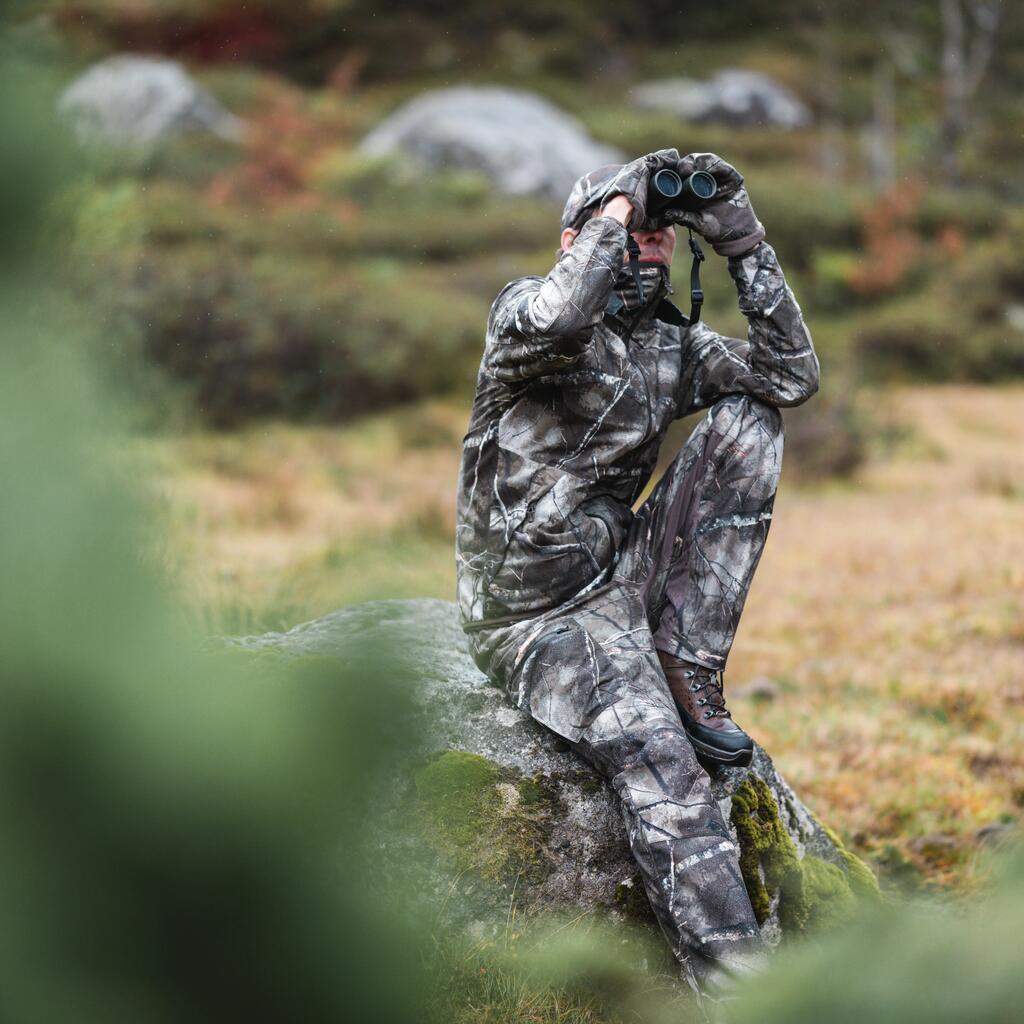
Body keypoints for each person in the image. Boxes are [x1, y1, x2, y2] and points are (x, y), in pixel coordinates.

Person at [454, 149, 819, 995]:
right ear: (573, 237)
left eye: (662, 237)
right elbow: (560, 317)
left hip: (622, 580)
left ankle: (685, 663)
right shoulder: (524, 318)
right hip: (530, 620)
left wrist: (744, 244)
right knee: (663, 770)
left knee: (750, 419)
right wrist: (620, 206)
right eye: (632, 231)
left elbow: (791, 376)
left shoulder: (668, 347)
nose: (647, 247)